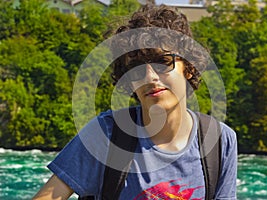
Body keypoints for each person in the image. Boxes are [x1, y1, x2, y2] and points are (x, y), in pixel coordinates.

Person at [33, 4, 237, 200]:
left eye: (163, 63)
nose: (149, 77)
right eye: (137, 68)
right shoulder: (105, 134)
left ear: (189, 68)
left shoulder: (221, 141)